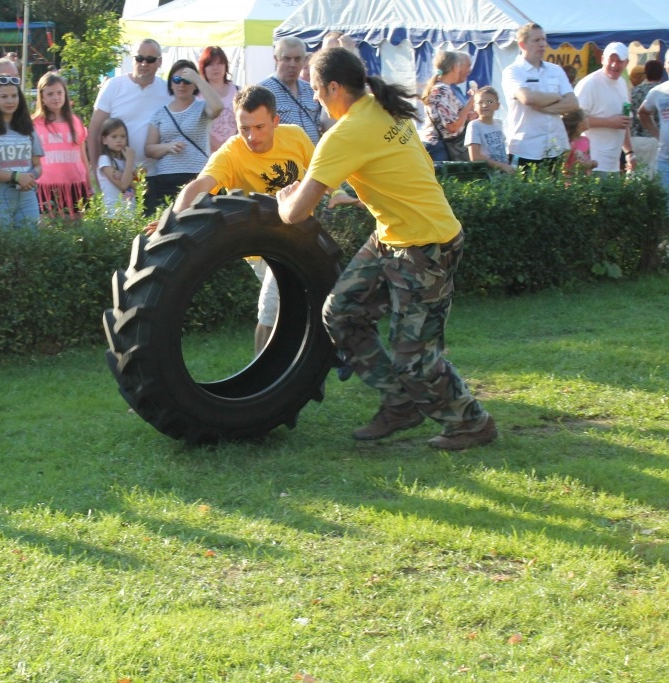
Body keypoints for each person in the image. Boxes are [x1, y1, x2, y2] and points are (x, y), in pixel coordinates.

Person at [277, 47, 497, 451]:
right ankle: (400, 404)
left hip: (426, 245)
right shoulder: (384, 106)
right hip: (392, 236)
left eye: (315, 89)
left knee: (413, 357)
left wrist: (282, 197)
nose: (313, 98)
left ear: (334, 87)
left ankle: (471, 423)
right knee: (341, 313)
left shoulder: (344, 134)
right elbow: (408, 171)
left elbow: (295, 213)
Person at [149, 85, 319, 353]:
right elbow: (197, 187)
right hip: (264, 248)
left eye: (260, 127)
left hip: (301, 238)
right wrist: (170, 223)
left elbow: (320, 176)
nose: (251, 136)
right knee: (273, 305)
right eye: (244, 128)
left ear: (275, 121)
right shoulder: (232, 153)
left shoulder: (296, 137)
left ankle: (305, 368)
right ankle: (264, 375)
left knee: (297, 307)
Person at [143, 59, 223, 215]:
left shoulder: (202, 107)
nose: (181, 85)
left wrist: (198, 79)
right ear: (171, 83)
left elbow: (217, 107)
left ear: (194, 85)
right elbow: (148, 148)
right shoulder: (160, 113)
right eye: (177, 80)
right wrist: (167, 147)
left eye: (187, 81)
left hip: (197, 177)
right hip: (167, 180)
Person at [87, 39, 171, 179]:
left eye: (150, 59)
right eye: (139, 58)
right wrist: (97, 170)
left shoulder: (168, 91)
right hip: (116, 176)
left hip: (156, 175)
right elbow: (94, 132)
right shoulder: (114, 86)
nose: (144, 64)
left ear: (159, 62)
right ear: (133, 59)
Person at [501, 23, 578, 173]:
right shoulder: (513, 71)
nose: (542, 44)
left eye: (544, 39)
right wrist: (556, 97)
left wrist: (544, 106)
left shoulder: (555, 70)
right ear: (522, 44)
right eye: (536, 40)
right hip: (526, 149)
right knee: (525, 194)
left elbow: (573, 104)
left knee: (554, 194)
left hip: (555, 147)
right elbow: (527, 98)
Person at [0, 74, 44, 230]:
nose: (10, 101)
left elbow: (38, 165)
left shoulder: (29, 129)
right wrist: (16, 177)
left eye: (14, 95)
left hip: (27, 196)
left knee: (30, 245)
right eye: (4, 96)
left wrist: (29, 178)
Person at [32, 72, 91, 218]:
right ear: (42, 97)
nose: (56, 97)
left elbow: (83, 156)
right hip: (46, 186)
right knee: (48, 227)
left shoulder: (75, 121)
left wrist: (88, 184)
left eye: (59, 92)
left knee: (76, 227)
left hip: (75, 184)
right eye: (50, 94)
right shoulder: (34, 124)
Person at [573, 42, 636, 175]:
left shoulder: (622, 84)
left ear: (626, 63)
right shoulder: (589, 84)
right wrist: (609, 122)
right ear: (602, 59)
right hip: (590, 164)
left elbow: (623, 123)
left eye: (619, 61)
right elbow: (574, 121)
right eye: (611, 60)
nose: (614, 65)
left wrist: (629, 152)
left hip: (613, 165)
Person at [260, 36, 323, 143]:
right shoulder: (263, 91)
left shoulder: (310, 90)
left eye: (297, 59)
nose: (292, 64)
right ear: (276, 59)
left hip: (312, 156)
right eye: (287, 59)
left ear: (304, 60)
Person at [418, 51, 476, 162]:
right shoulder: (441, 90)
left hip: (438, 146)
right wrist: (471, 101)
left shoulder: (441, 88)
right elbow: (452, 127)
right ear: (455, 67)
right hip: (438, 148)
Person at [465, 86, 515, 174]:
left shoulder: (498, 123)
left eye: (490, 102)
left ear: (497, 105)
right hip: (486, 176)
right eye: (480, 102)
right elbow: (475, 157)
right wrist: (502, 166)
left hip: (503, 175)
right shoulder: (474, 125)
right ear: (474, 106)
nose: (485, 105)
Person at [199, 46, 239, 152]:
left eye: (219, 63)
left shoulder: (238, 91)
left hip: (234, 151)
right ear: (203, 67)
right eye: (210, 64)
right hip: (206, 154)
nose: (215, 68)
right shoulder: (198, 95)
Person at [95, 117, 136, 217]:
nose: (119, 140)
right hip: (113, 214)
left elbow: (143, 188)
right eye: (114, 137)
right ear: (104, 140)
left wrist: (123, 175)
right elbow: (123, 185)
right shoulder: (105, 160)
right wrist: (130, 161)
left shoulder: (126, 161)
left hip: (131, 214)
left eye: (123, 136)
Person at [630, 60, 664, 178]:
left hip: (634, 138)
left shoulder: (633, 91)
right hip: (654, 138)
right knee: (651, 177)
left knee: (634, 175)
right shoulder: (662, 92)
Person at [638, 79, 669, 197]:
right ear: (666, 66)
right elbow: (643, 113)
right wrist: (657, 134)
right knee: (665, 207)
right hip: (665, 161)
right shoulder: (658, 91)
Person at [562, 108, 597, 176]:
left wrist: (592, 163)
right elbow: (563, 167)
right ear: (580, 124)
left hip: (585, 180)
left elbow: (587, 158)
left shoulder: (586, 140)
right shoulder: (570, 143)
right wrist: (578, 166)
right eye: (586, 117)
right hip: (572, 183)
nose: (588, 119)